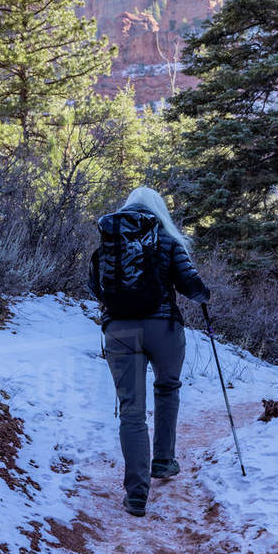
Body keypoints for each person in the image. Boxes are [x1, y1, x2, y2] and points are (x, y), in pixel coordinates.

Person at [88, 187, 210, 518]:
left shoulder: (110, 240)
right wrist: (203, 293)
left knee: (131, 411)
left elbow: (96, 284)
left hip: (120, 330)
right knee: (167, 388)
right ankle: (165, 461)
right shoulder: (166, 239)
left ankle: (137, 495)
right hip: (163, 329)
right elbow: (190, 284)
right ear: (159, 209)